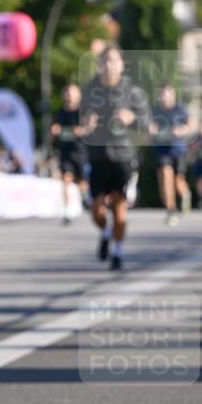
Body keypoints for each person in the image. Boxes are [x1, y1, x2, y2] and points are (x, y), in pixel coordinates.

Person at [80, 45, 150, 271]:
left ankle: (117, 252)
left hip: (123, 157)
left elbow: (147, 122)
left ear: (121, 65)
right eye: (104, 61)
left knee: (119, 210)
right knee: (96, 211)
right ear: (99, 65)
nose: (108, 65)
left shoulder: (132, 92)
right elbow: (80, 122)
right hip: (98, 157)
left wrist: (132, 118)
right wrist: (85, 125)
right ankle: (106, 231)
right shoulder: (90, 90)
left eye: (113, 60)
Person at [150, 84, 193, 225]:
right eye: (162, 95)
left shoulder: (180, 110)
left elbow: (191, 125)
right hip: (162, 150)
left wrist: (181, 130)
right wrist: (151, 131)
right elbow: (148, 128)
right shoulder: (155, 111)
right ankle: (171, 210)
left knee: (178, 181)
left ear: (173, 96)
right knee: (164, 175)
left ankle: (185, 194)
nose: (164, 98)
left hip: (178, 150)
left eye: (167, 95)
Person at [50, 83, 88, 224]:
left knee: (81, 182)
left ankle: (85, 199)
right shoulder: (60, 113)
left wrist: (81, 130)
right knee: (65, 179)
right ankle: (67, 210)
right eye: (66, 93)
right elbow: (54, 129)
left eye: (71, 93)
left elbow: (87, 129)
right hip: (65, 151)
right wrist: (54, 131)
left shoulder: (82, 112)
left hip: (80, 152)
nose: (68, 96)